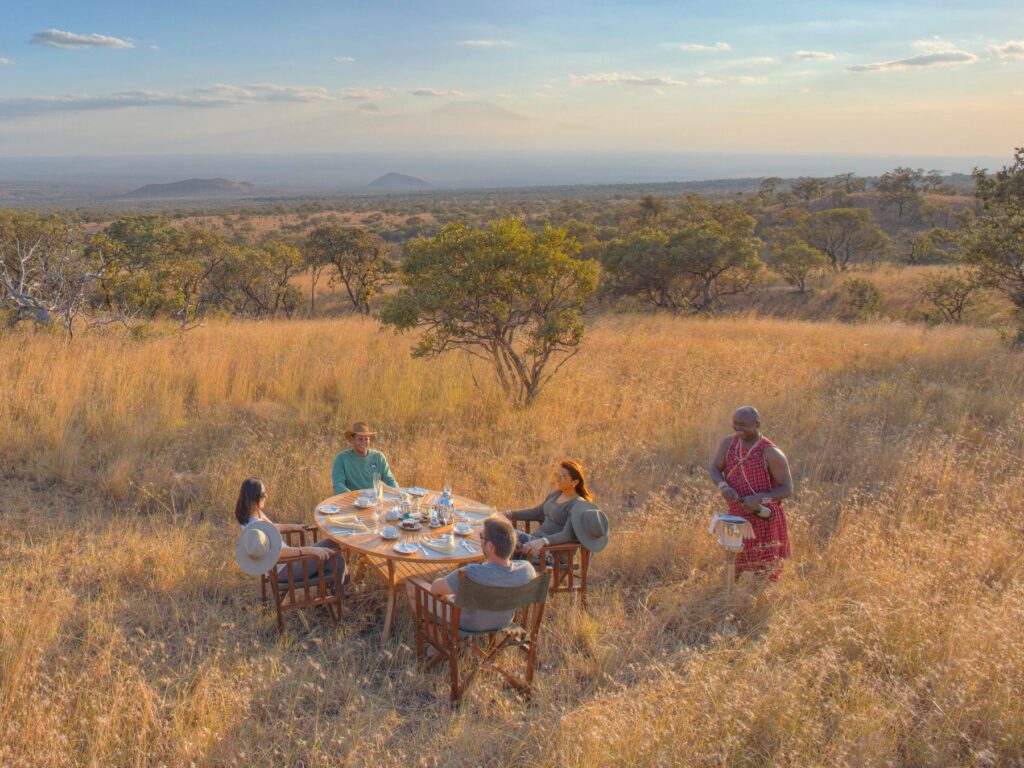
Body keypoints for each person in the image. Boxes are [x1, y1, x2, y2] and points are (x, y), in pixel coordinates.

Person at [405, 516, 536, 634]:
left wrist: (442, 584)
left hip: (467, 623)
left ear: (490, 546)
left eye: (481, 536)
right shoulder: (527, 569)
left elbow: (435, 588)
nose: (480, 539)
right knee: (450, 593)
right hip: (505, 621)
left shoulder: (471, 573)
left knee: (411, 582)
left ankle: (437, 646)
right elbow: (503, 572)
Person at [709, 406, 793, 578]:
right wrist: (723, 486)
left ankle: (759, 603)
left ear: (757, 424)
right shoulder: (728, 443)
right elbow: (715, 469)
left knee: (765, 572)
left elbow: (787, 489)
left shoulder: (771, 452)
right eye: (735, 423)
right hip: (737, 516)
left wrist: (760, 499)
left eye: (744, 424)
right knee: (735, 567)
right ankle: (731, 600)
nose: (738, 428)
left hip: (765, 518)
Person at [234, 477, 345, 585]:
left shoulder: (251, 514)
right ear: (253, 498)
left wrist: (293, 526)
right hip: (286, 569)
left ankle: (334, 587)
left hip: (285, 563)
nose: (266, 496)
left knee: (332, 543)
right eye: (263, 495)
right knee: (336, 559)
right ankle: (341, 593)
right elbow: (279, 553)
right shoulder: (256, 528)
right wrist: (310, 550)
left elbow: (272, 527)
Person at [503, 460, 601, 559]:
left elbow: (567, 535)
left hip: (551, 551)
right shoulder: (555, 495)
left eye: (562, 476)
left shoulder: (578, 504)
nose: (557, 479)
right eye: (556, 474)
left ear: (575, 482)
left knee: (504, 535)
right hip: (535, 541)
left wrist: (543, 541)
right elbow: (536, 513)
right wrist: (509, 514)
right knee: (500, 531)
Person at [331, 421, 399, 494]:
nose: (363, 443)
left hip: (374, 500)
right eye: (360, 439)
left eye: (366, 439)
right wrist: (355, 497)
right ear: (353, 440)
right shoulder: (341, 459)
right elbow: (338, 485)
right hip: (351, 501)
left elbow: (390, 480)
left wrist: (398, 493)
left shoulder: (379, 457)